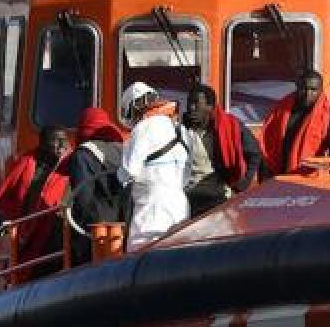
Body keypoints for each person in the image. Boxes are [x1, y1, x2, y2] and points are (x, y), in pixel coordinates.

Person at [0, 126, 70, 275]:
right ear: (43, 144)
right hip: (29, 241)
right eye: (57, 141)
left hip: (58, 243)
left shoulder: (73, 166)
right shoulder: (27, 165)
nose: (62, 146)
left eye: (64, 141)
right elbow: (10, 208)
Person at [118, 82, 190, 252]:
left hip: (151, 209)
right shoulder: (181, 129)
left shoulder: (142, 128)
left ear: (135, 106)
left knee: (139, 258)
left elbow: (128, 172)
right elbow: (186, 175)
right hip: (180, 205)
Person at [182, 84, 262, 216]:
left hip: (218, 196)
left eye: (196, 103)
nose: (191, 108)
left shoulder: (230, 126)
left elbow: (254, 153)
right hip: (187, 196)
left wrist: (242, 185)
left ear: (210, 107)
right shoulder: (180, 129)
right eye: (189, 103)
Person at [260, 68, 330, 176]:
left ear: (321, 91)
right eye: (304, 89)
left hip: (308, 176)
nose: (308, 94)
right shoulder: (281, 110)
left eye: (313, 90)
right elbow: (267, 138)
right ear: (297, 88)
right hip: (276, 171)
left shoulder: (329, 116)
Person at [67, 107, 128, 264]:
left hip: (95, 234)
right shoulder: (124, 151)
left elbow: (83, 199)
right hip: (123, 231)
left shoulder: (82, 155)